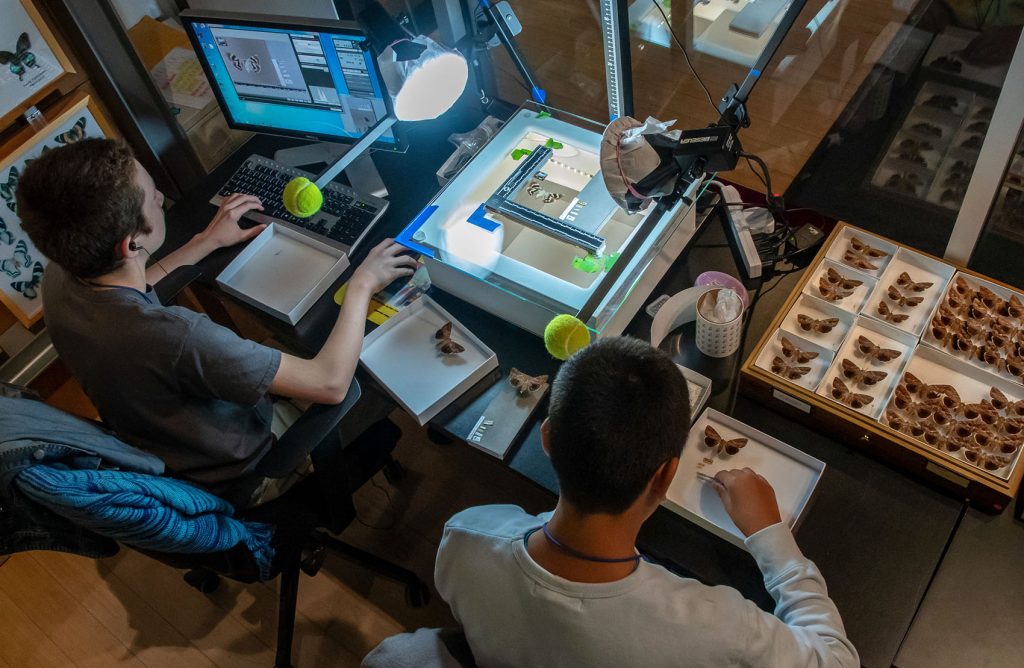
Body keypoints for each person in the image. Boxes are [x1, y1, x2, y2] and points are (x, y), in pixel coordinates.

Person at [18, 138, 417, 504]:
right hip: (249, 471)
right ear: (132, 243)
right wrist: (363, 282)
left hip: (173, 448)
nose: (160, 195)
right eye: (152, 199)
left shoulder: (60, 277)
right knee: (375, 380)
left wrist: (205, 242)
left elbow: (131, 290)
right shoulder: (176, 336)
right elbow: (328, 385)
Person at [435, 336, 858, 667]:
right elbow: (836, 660)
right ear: (666, 476)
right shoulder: (717, 628)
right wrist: (772, 538)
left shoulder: (465, 535)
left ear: (547, 438)